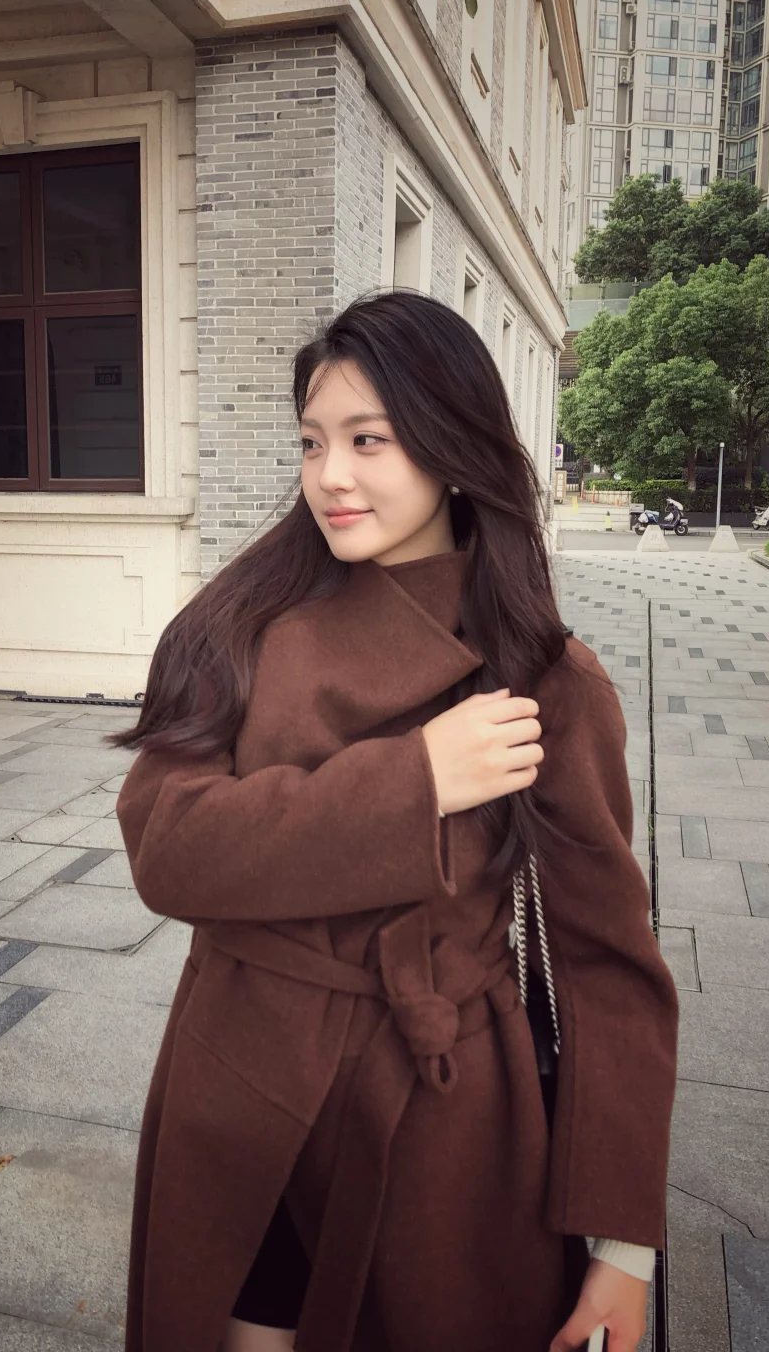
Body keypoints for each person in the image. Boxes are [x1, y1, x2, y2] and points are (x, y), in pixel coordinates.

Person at [113, 290, 679, 1352]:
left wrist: (623, 1249)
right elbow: (167, 848)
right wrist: (414, 783)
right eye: (312, 441)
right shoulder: (238, 625)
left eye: (368, 440)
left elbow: (607, 966)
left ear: (451, 443)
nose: (331, 475)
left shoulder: (544, 679)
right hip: (239, 1082)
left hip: (441, 1115)